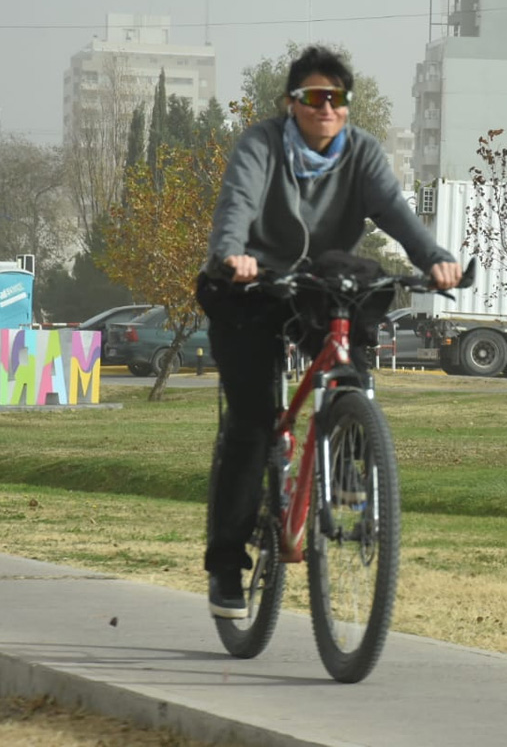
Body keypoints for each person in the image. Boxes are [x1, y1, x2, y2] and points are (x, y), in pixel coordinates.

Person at [195, 46, 462, 619]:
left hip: (320, 282)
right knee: (252, 423)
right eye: (313, 97)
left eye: (336, 98)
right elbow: (236, 204)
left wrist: (436, 258)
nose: (325, 108)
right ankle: (225, 567)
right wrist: (231, 255)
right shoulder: (261, 146)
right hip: (252, 285)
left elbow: (395, 211)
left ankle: (347, 469)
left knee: (352, 360)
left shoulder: (360, 153)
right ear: (291, 103)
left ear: (346, 107)